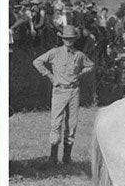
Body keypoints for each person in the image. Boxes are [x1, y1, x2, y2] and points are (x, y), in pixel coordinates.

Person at [32, 25, 94, 165]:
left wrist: (80, 74)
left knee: (72, 124)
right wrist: (50, 76)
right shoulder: (55, 52)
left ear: (74, 39)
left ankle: (67, 157)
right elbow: (37, 61)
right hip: (59, 90)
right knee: (56, 122)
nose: (68, 41)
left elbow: (90, 65)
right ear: (62, 39)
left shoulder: (79, 55)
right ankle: (53, 157)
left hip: (74, 91)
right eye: (66, 39)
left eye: (71, 39)